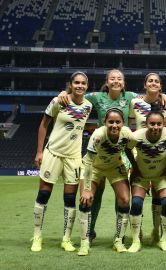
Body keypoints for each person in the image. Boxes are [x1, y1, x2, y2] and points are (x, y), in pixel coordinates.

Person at [58, 69, 166, 242]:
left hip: (121, 149)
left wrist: (163, 96)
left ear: (123, 83)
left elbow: (150, 94)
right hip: (101, 148)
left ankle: (123, 232)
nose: (116, 81)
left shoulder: (131, 97)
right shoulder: (96, 97)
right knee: (97, 190)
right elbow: (79, 94)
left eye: (119, 79)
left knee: (124, 194)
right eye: (112, 78)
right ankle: (90, 230)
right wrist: (65, 93)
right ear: (107, 81)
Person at [31, 72, 92, 252]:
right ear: (71, 84)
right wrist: (39, 151)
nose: (80, 86)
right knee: (43, 194)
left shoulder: (88, 106)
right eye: (76, 83)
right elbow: (43, 125)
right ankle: (36, 236)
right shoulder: (59, 101)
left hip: (73, 157)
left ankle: (66, 239)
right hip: (53, 153)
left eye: (83, 83)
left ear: (87, 86)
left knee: (70, 199)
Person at [79, 108, 137, 255]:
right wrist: (86, 189)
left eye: (118, 122)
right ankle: (84, 241)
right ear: (105, 122)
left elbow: (129, 151)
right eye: (110, 122)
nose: (114, 125)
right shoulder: (98, 135)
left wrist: (136, 170)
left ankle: (118, 239)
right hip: (94, 167)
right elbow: (88, 162)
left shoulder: (127, 134)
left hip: (115, 166)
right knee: (86, 200)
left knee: (124, 199)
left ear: (123, 123)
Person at [124, 104, 166, 253]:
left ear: (163, 124)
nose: (155, 127)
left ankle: (163, 239)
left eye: (159, 124)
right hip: (141, 174)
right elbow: (127, 148)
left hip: (161, 174)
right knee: (136, 203)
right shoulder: (136, 136)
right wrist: (135, 167)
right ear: (146, 124)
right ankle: (136, 240)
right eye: (152, 123)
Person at [129, 73, 166, 243]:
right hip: (138, 151)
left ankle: (157, 232)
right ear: (145, 84)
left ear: (160, 86)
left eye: (156, 81)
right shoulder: (135, 102)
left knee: (159, 197)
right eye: (150, 81)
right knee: (133, 199)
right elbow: (130, 127)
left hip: (159, 153)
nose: (153, 83)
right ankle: (136, 234)